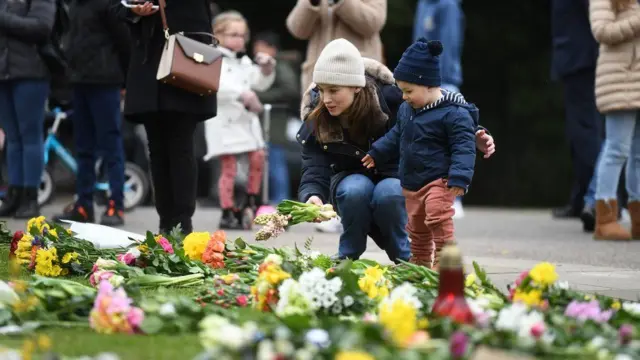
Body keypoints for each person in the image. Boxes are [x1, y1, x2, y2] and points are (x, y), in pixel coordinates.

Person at [297, 38, 495, 263]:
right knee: (355, 191)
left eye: (334, 90)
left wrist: (475, 133)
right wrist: (312, 195)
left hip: (396, 175)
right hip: (349, 179)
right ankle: (348, 253)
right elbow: (314, 164)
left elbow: (438, 115)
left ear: (356, 87)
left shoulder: (393, 97)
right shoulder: (318, 115)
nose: (326, 99)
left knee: (389, 193)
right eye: (321, 91)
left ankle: (404, 257)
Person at [362, 38, 478, 269]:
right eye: (402, 91)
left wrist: (460, 177)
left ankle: (447, 262)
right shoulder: (408, 109)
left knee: (437, 215)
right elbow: (397, 135)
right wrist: (377, 151)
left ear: (428, 85)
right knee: (416, 226)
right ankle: (421, 263)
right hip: (412, 181)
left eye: (409, 91)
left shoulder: (454, 113)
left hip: (439, 179)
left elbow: (464, 146)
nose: (404, 96)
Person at [113, 0, 217, 234]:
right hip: (148, 58)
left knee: (181, 143)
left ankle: (182, 223)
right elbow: (115, 7)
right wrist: (133, 9)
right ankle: (165, 222)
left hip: (186, 54)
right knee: (156, 147)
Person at [52, 0, 131, 226]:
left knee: (111, 144)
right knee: (84, 146)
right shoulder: (74, 5)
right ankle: (83, 205)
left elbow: (124, 41)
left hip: (106, 80)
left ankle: (116, 204)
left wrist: (125, 80)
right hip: (80, 80)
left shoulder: (108, 3)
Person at [203, 11, 276, 229]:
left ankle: (251, 201)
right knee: (229, 168)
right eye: (234, 34)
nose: (239, 39)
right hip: (224, 120)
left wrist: (266, 69)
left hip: (246, 120)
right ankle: (227, 210)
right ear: (219, 35)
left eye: (243, 35)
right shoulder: (212, 57)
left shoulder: (244, 61)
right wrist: (241, 94)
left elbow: (259, 83)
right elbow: (215, 85)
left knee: (258, 157)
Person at [589, 0, 640, 240]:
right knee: (617, 149)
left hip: (635, 84)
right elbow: (602, 31)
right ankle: (605, 219)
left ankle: (637, 217)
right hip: (619, 84)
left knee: (638, 153)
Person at [0, 0, 55, 218]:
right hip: (3, 74)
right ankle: (14, 193)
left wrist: (3, 19)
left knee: (30, 136)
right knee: (13, 138)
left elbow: (42, 27)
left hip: (31, 73)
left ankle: (31, 197)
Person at [413, 0, 467, 219]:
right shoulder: (424, 4)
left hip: (441, 82)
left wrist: (435, 83)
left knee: (450, 140)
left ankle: (454, 196)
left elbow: (447, 44)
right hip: (422, 81)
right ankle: (429, 194)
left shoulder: (447, 4)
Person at [550, 0, 604, 221]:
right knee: (579, 134)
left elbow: (596, 13)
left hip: (582, 57)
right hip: (575, 56)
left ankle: (595, 199)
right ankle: (583, 197)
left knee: (585, 133)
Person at [286, 0, 386, 94]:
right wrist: (312, 2)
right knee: (316, 111)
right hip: (317, 78)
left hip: (358, 77)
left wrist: (342, 2)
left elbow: (374, 23)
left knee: (359, 111)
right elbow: (297, 29)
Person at [253, 31, 300, 204]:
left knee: (275, 165)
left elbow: (291, 89)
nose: (257, 51)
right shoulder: (267, 66)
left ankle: (280, 203)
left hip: (274, 124)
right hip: (265, 123)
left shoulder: (279, 66)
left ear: (271, 49)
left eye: (261, 47)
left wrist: (260, 96)